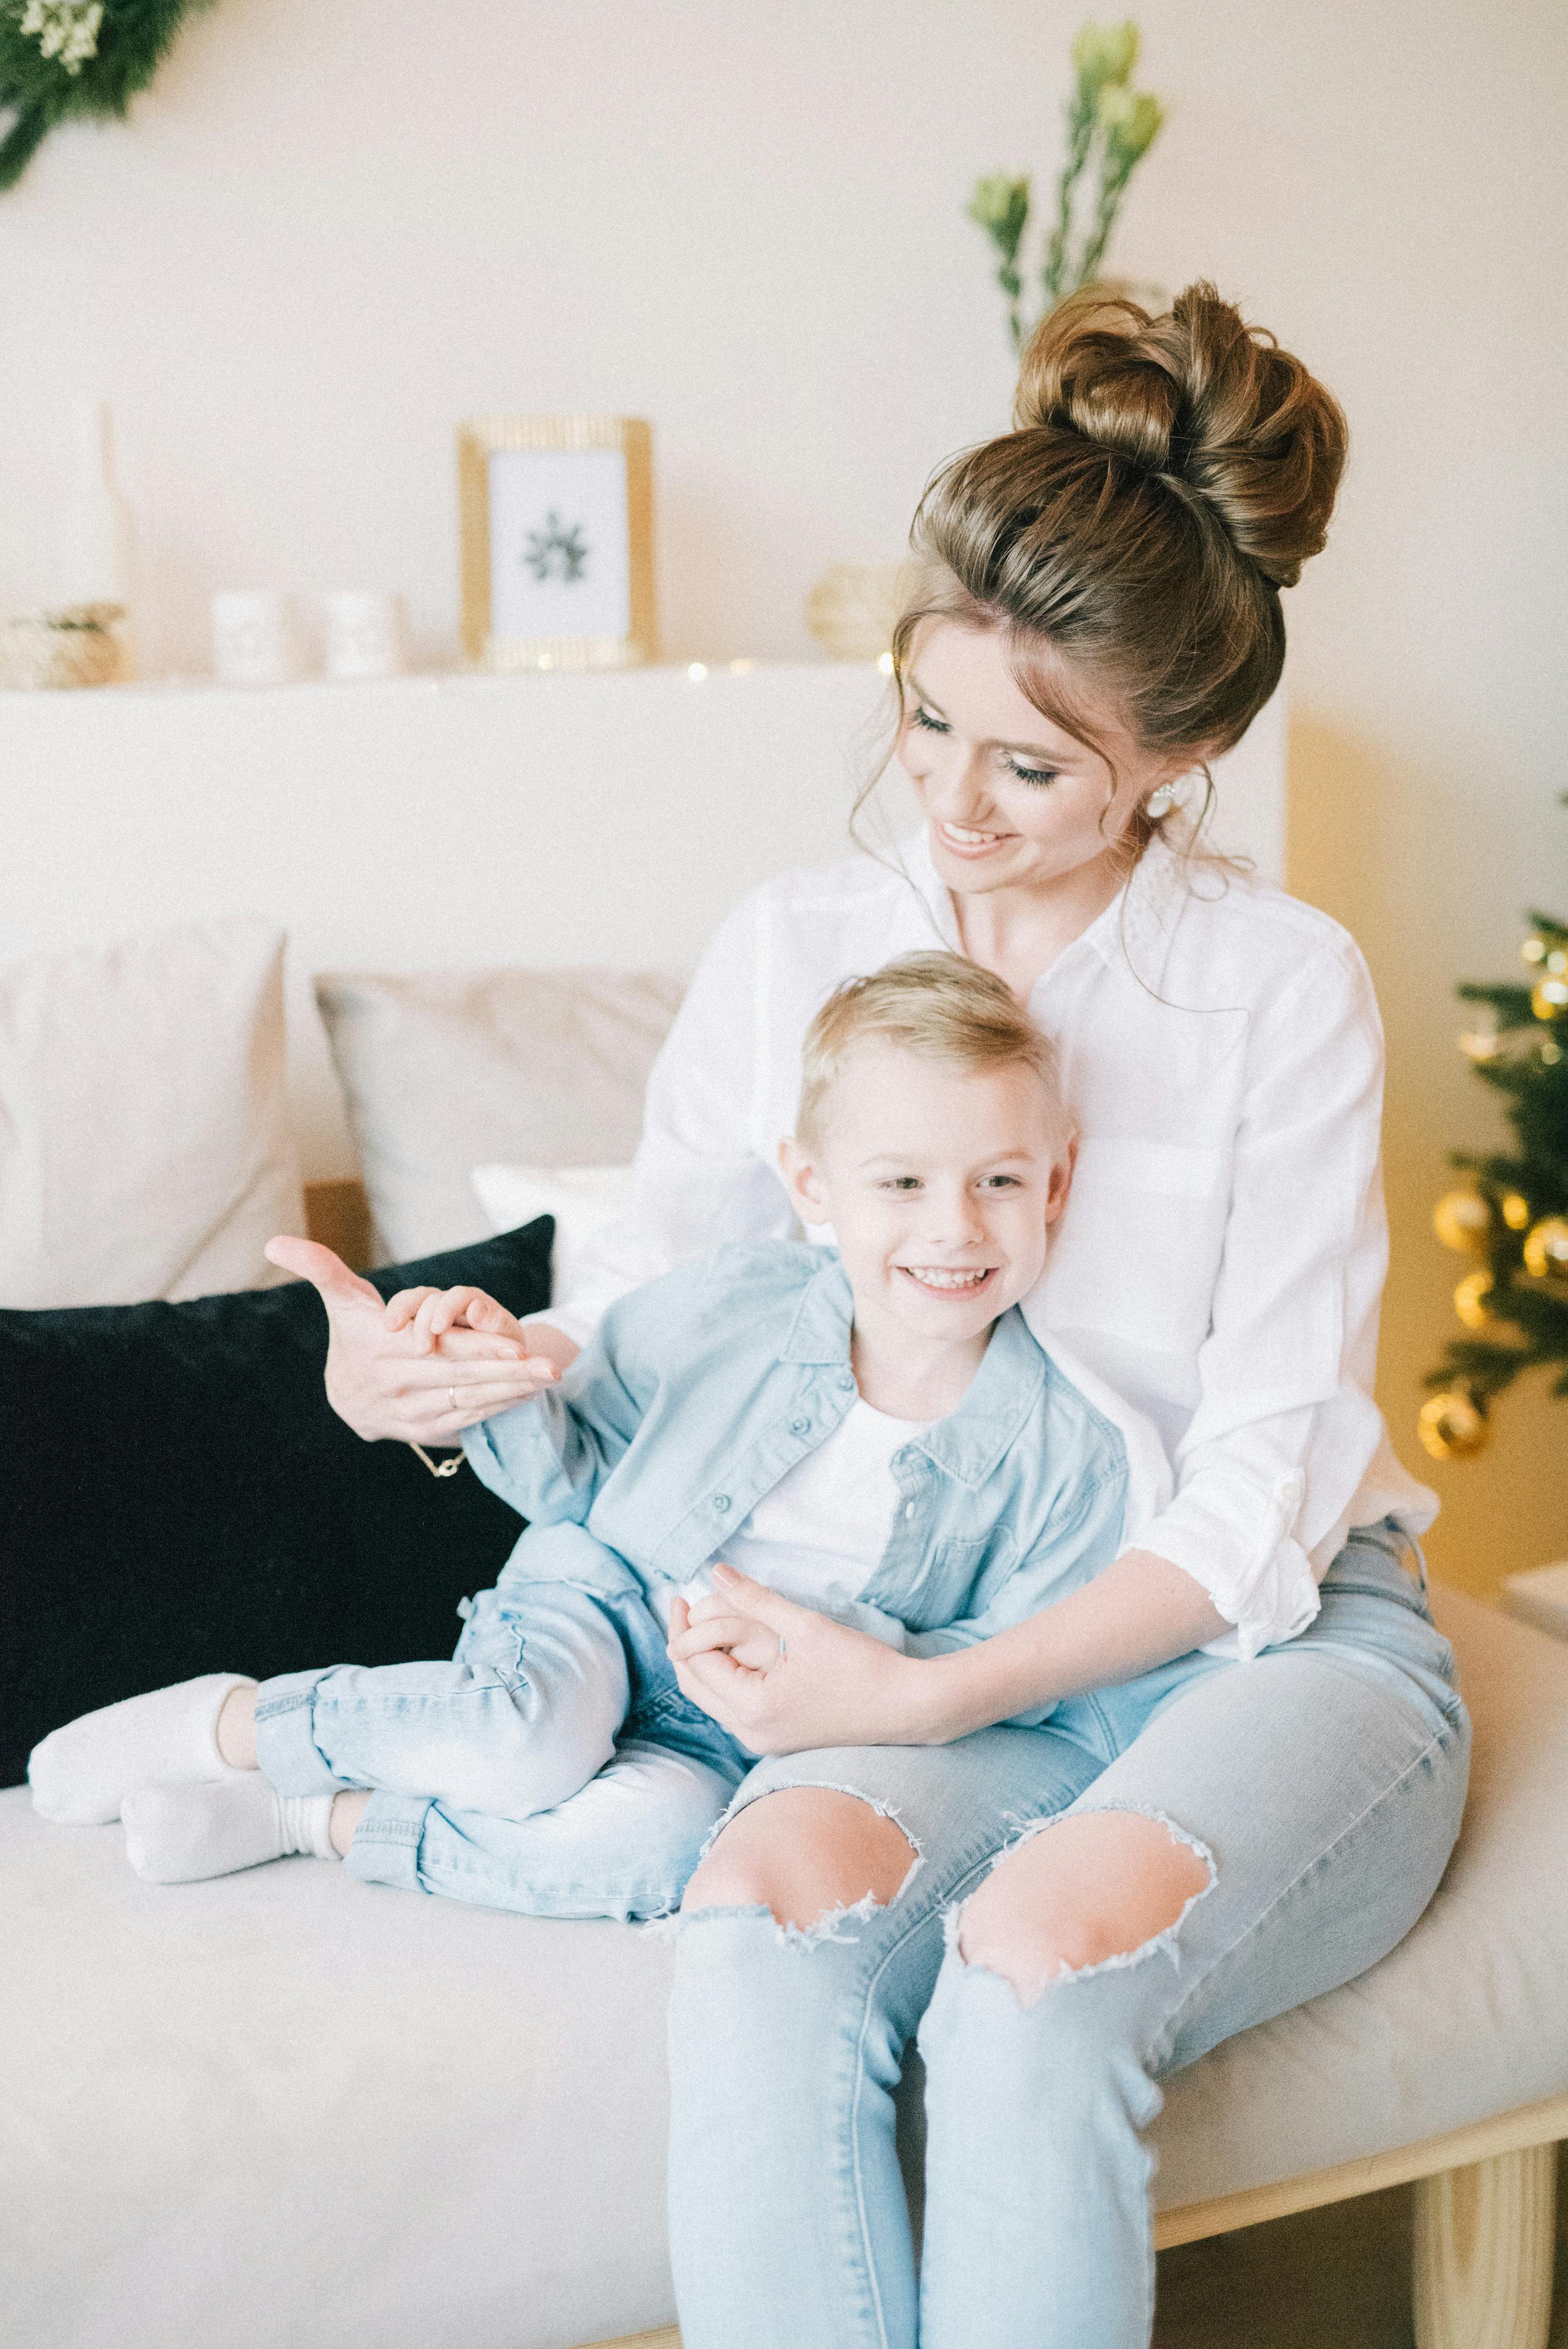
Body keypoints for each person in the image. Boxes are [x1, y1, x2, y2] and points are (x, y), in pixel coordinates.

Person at [270, 283, 1467, 2349]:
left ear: (1183, 753)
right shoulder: (795, 947)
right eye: (927, 721)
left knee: (1033, 1978)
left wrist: (916, 1703)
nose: (957, 802)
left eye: (1036, 762)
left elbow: (1268, 1476)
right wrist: (446, 1393)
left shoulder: (1277, 988)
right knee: (754, 1921)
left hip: (1252, 1647)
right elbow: (661, 1336)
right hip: (927, 1644)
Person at [32, 954, 1166, 1926]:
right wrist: (499, 1379)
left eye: (999, 1181)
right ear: (814, 1185)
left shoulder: (1071, 1448)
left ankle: (314, 1819)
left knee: (663, 1854)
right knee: (526, 1740)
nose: (952, 1227)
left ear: (1056, 1181)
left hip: (746, 1734)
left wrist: (859, 1678)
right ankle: (231, 1722)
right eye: (903, 1182)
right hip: (607, 1594)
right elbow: (574, 1470)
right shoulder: (735, 1305)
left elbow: (1002, 1669)